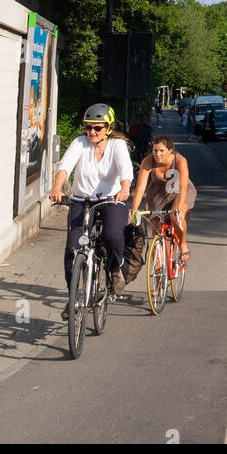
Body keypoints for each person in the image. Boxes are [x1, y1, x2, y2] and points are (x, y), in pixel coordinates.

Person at [49, 103, 133, 319]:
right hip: (80, 200)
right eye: (88, 127)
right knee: (72, 249)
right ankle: (74, 297)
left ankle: (116, 269)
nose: (92, 132)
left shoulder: (117, 146)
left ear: (108, 128)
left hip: (111, 200)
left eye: (97, 128)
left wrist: (124, 189)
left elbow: (125, 169)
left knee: (111, 235)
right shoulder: (80, 142)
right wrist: (57, 188)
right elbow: (64, 166)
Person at [123, 135, 197, 283]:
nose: (158, 154)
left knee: (176, 216)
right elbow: (140, 188)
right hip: (158, 193)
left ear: (170, 150)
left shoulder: (180, 161)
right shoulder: (148, 161)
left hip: (180, 192)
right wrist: (134, 210)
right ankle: (158, 282)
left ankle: (182, 244)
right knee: (156, 232)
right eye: (155, 150)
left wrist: (180, 209)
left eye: (162, 151)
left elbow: (182, 186)